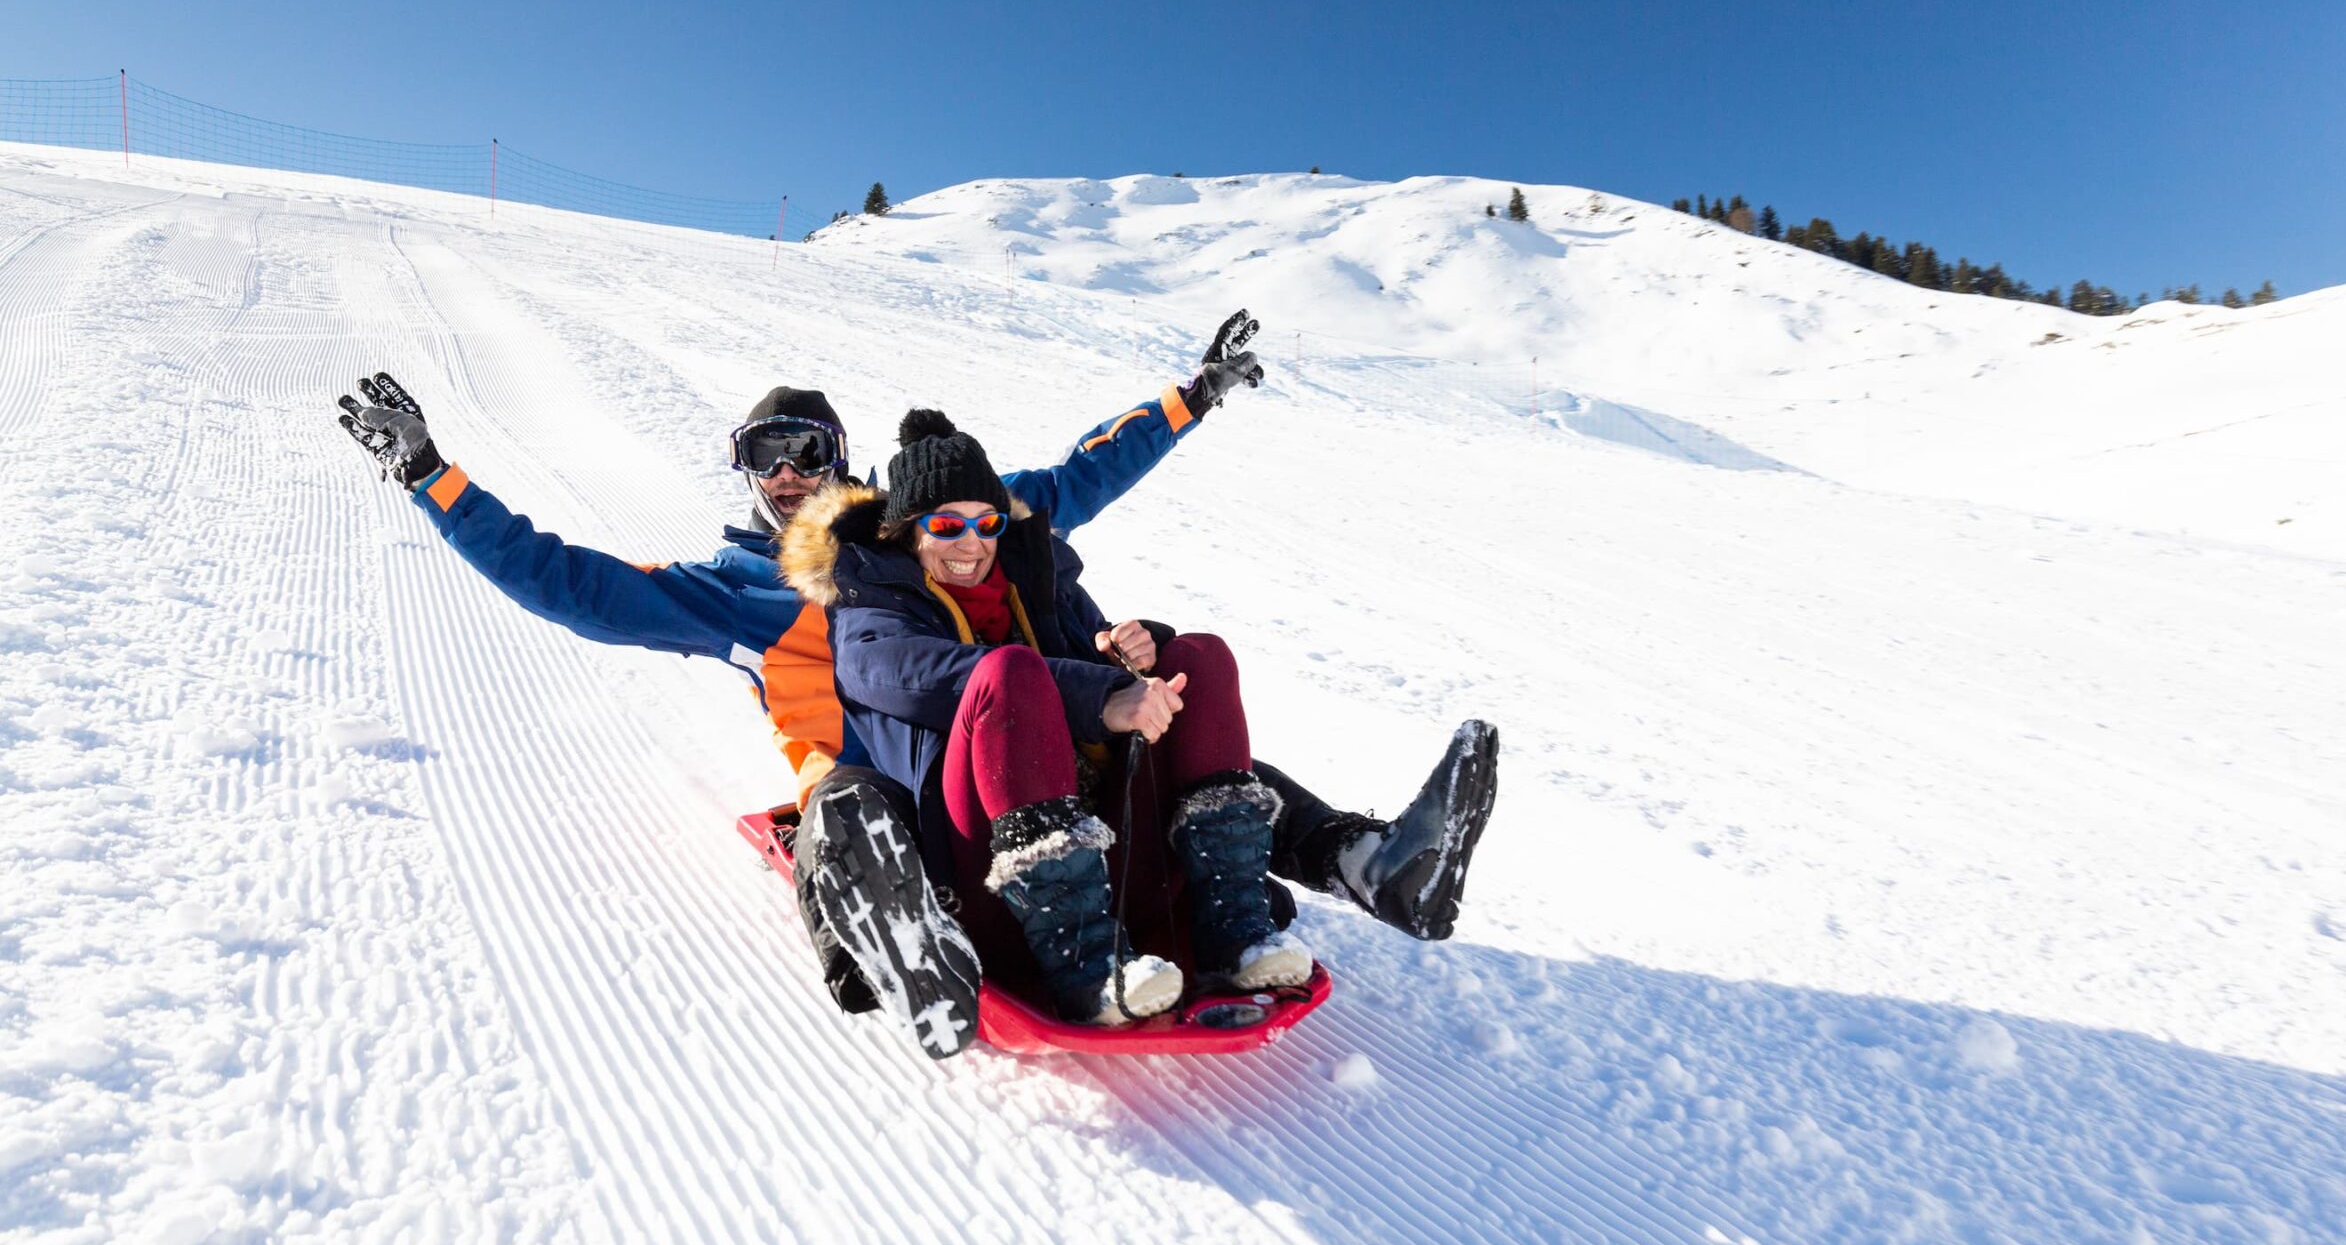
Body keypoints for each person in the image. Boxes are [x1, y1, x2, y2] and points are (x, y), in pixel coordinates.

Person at [335, 313, 1497, 1055]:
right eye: (763, 457)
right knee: (847, 807)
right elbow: (566, 582)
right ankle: (895, 945)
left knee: (1170, 725)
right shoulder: (736, 588)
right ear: (742, 476)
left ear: (842, 461)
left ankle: (1359, 859)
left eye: (807, 450)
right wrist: (433, 476)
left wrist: (1187, 400)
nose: (787, 474)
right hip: (880, 788)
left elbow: (1070, 483)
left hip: (1008, 758)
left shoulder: (916, 532)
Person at [783, 408, 1362, 1031]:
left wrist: (1123, 655)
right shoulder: (868, 610)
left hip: (1110, 848)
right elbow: (934, 675)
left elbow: (1099, 664)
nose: (971, 543)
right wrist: (1100, 693)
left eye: (987, 522)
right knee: (1009, 674)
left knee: (1201, 657)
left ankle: (1235, 932)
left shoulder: (1035, 577)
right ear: (906, 532)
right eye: (947, 525)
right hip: (985, 878)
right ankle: (1087, 968)